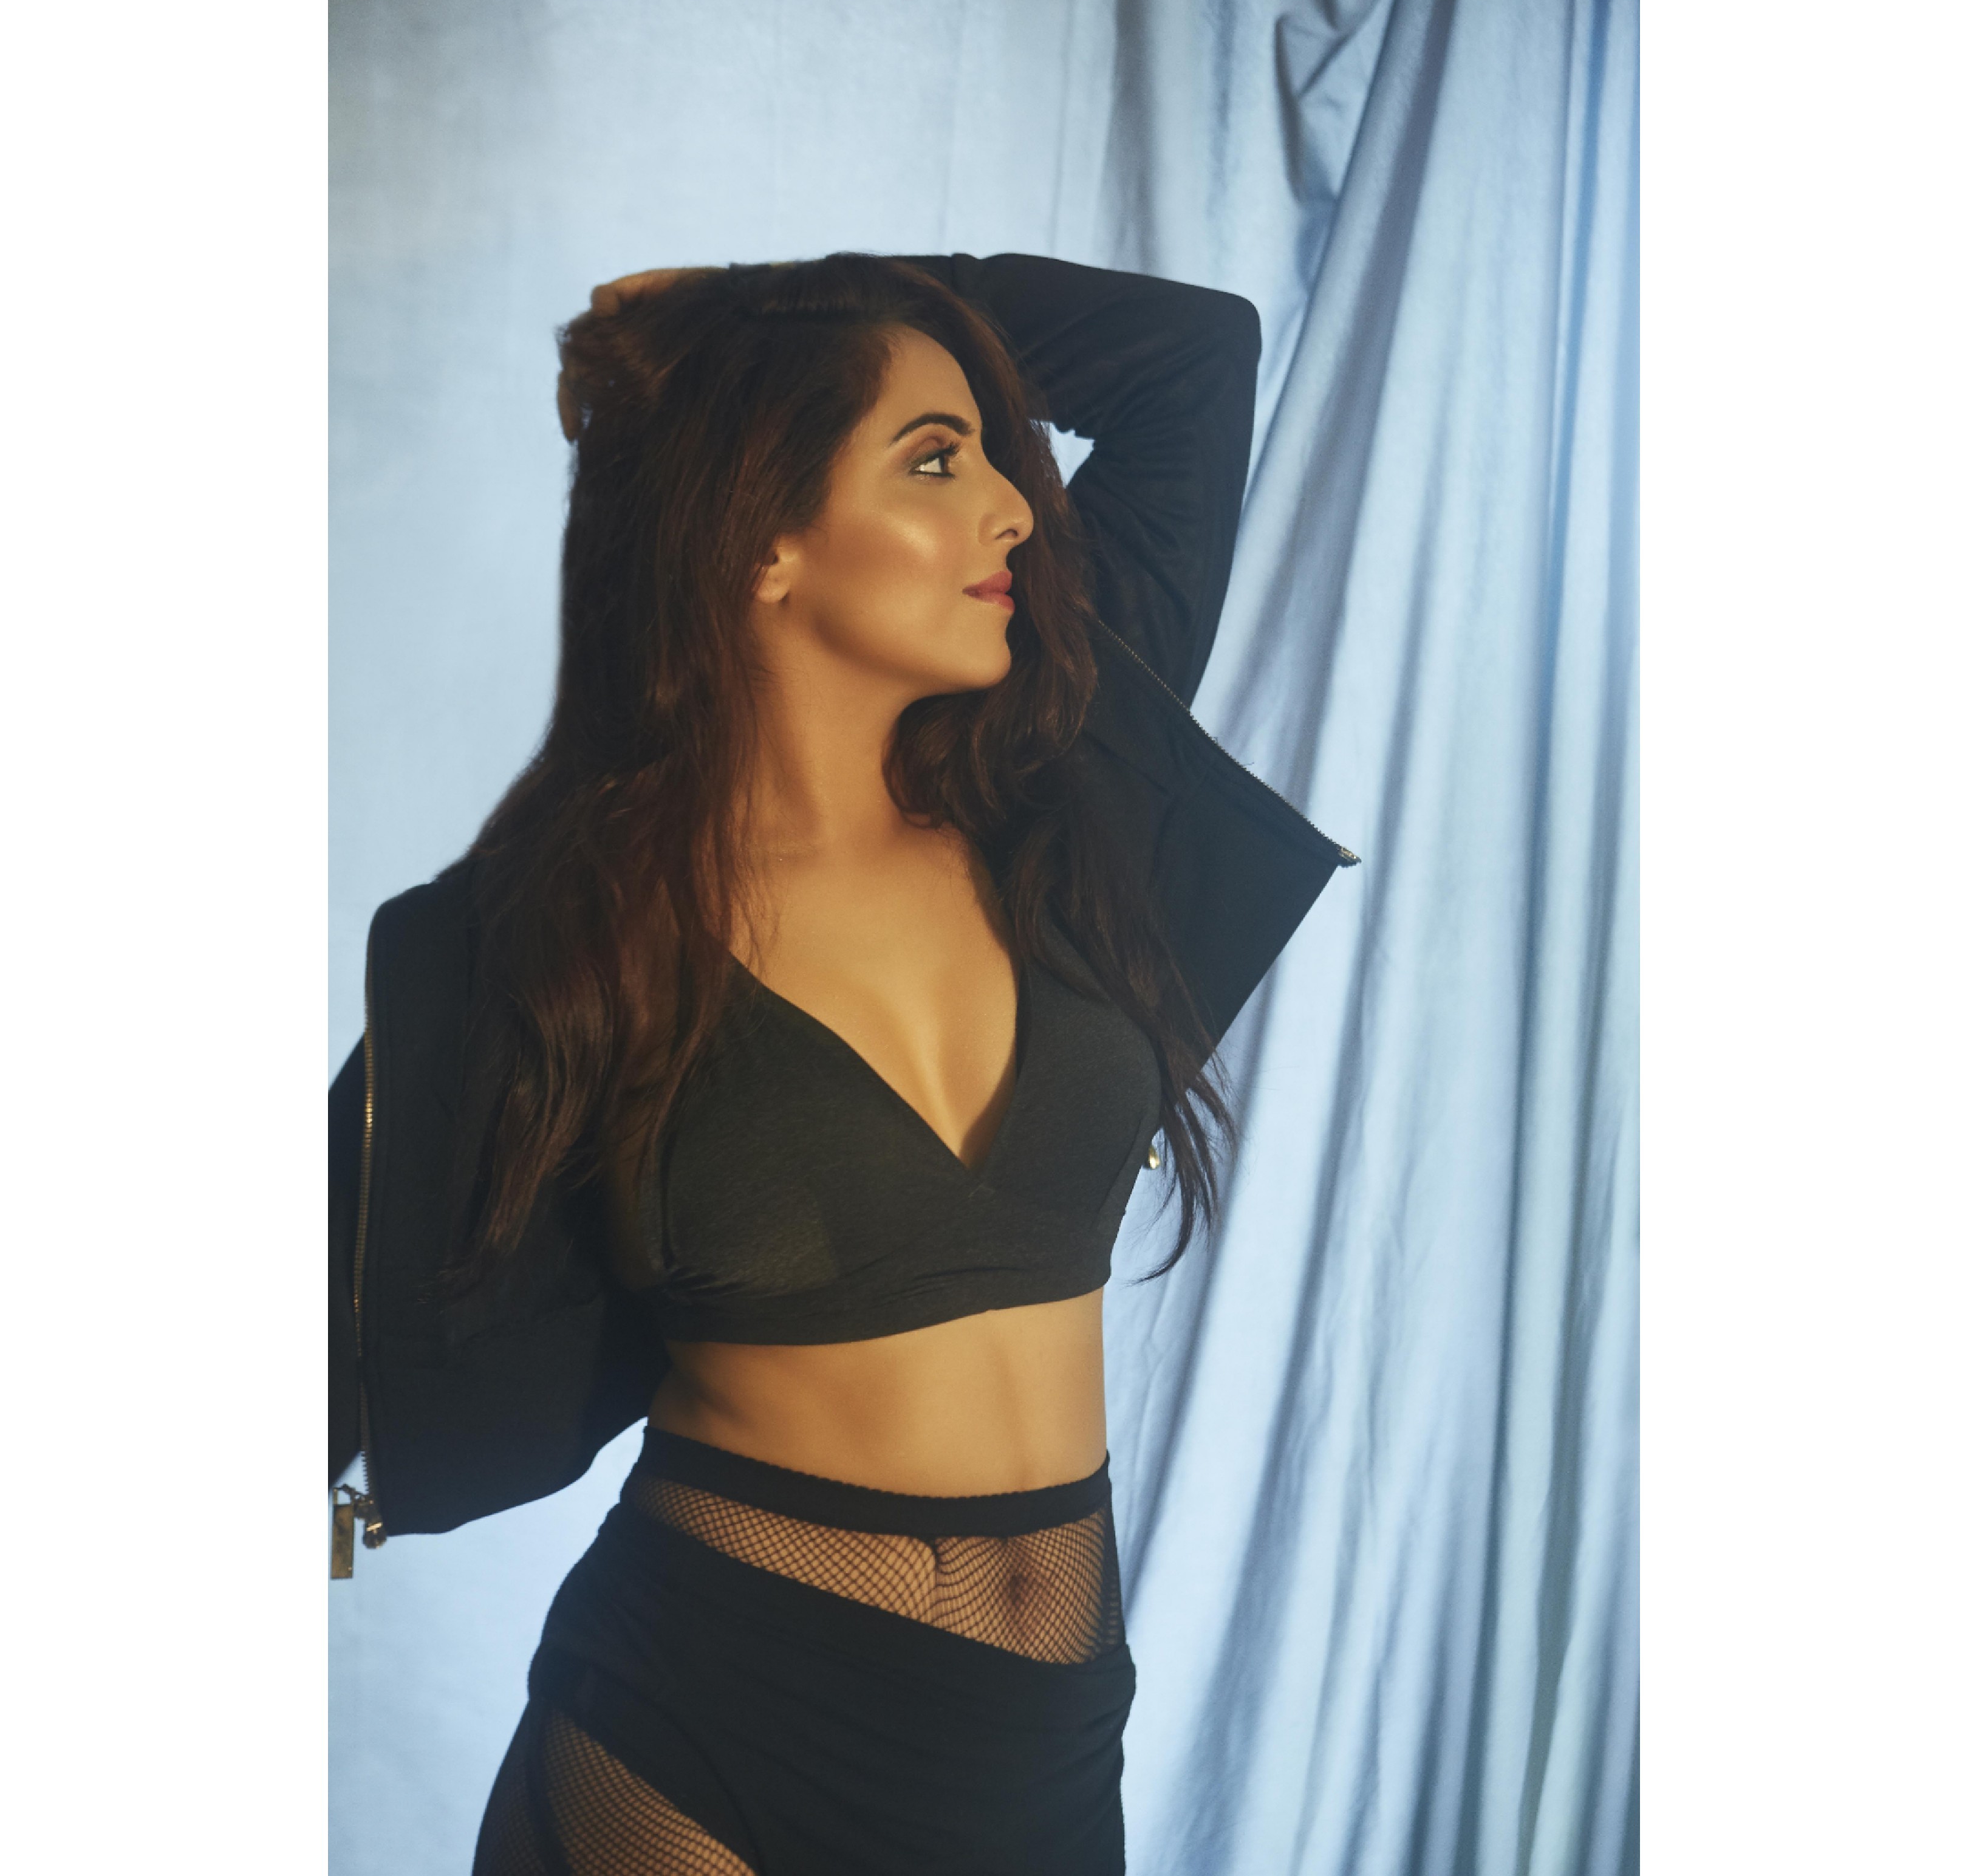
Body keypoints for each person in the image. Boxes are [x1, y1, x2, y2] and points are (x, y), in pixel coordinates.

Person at [329, 251, 1355, 1874]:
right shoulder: (564, 939)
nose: (1013, 510)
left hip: (1047, 1751)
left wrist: (781, 300)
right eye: (937, 463)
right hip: (702, 1743)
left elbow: (1190, 357)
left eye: (995, 458)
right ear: (765, 536)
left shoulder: (1057, 786)